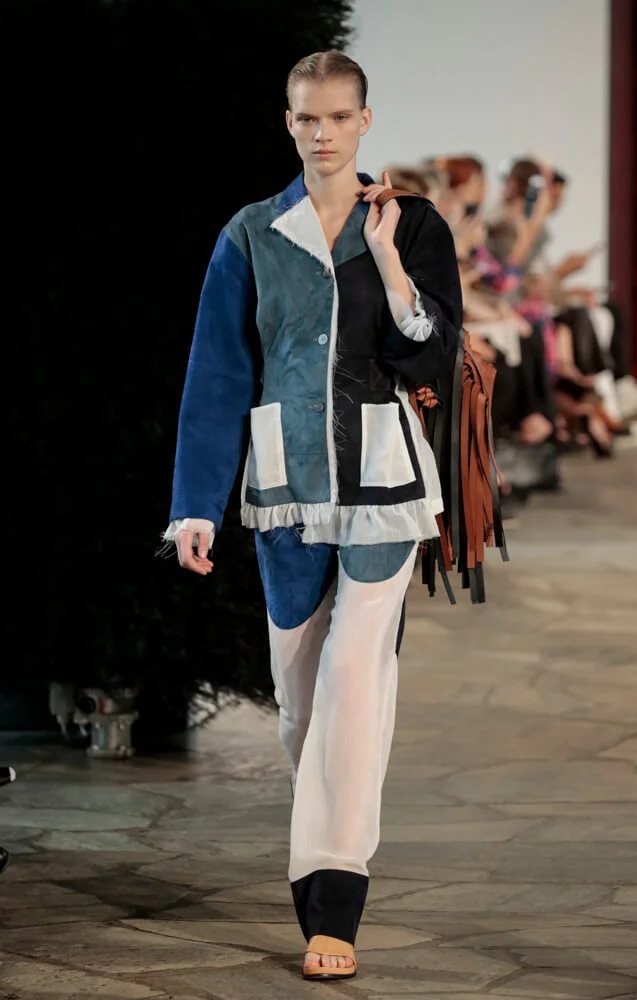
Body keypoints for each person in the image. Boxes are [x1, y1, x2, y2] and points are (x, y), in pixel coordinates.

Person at [164, 50, 462, 981]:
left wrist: (387, 259)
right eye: (307, 117)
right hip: (285, 488)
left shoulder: (412, 224)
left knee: (354, 681)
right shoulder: (252, 232)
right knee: (301, 705)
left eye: (338, 116)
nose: (322, 132)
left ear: (364, 121)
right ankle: (329, 839)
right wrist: (193, 505)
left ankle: (334, 900)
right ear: (288, 122)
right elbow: (217, 373)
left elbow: (433, 356)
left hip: (384, 486)